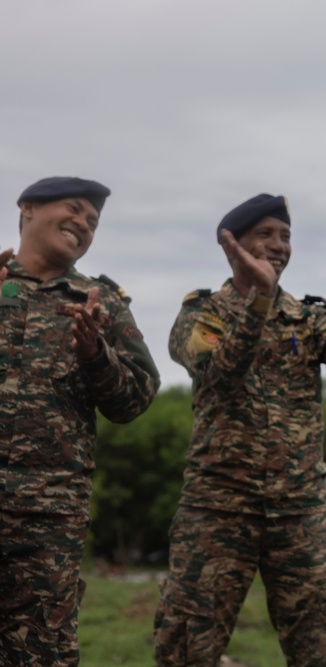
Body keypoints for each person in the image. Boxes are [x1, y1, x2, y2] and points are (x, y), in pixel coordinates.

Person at [152, 195, 326, 666]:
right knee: (188, 643)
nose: (278, 245)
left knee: (319, 644)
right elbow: (216, 373)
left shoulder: (306, 316)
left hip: (300, 508)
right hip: (218, 505)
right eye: (265, 235)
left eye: (285, 235)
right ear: (234, 246)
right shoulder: (202, 315)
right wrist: (258, 303)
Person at [0, 176, 160, 666]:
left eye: (92, 221)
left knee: (41, 652)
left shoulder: (101, 302)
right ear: (28, 207)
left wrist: (95, 354)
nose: (83, 224)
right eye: (73, 209)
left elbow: (134, 399)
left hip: (47, 517)